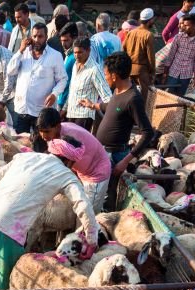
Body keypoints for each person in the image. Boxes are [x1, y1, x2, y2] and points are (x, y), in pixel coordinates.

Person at [0, 149, 98, 289]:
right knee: (11, 281)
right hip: (6, 229)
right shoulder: (65, 174)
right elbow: (83, 204)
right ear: (71, 161)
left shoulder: (27, 157)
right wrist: (92, 240)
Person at [93, 51, 153, 190]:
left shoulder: (133, 98)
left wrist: (126, 161)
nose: (105, 77)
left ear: (114, 76)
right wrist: (94, 105)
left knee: (110, 193)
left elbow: (147, 132)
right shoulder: (118, 91)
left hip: (116, 156)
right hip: (103, 151)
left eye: (106, 74)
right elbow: (112, 107)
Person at [35, 106, 111, 213]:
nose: (43, 136)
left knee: (88, 213)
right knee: (79, 209)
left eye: (46, 131)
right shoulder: (55, 136)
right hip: (82, 173)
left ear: (57, 126)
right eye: (41, 131)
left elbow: (67, 165)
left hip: (96, 174)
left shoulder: (70, 136)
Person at [6, 23, 63, 133]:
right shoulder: (24, 53)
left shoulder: (55, 56)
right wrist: (20, 51)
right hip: (22, 109)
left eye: (40, 36)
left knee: (40, 145)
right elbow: (10, 70)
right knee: (21, 143)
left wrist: (54, 94)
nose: (37, 39)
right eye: (34, 36)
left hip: (41, 111)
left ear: (46, 37)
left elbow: (62, 80)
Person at [64, 38, 112, 130]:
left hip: (84, 116)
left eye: (80, 52)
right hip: (71, 113)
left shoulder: (95, 69)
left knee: (80, 144)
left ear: (88, 51)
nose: (77, 56)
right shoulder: (75, 65)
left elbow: (107, 96)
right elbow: (72, 89)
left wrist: (95, 106)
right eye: (75, 53)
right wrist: (65, 108)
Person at [158, 13, 195, 95]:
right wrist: (165, 74)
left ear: (194, 25)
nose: (183, 27)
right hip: (173, 72)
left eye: (186, 25)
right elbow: (170, 56)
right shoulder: (178, 37)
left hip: (186, 75)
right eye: (183, 24)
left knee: (180, 98)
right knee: (168, 95)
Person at [122, 8, 155, 100]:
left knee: (128, 97)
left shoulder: (131, 33)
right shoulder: (148, 35)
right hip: (142, 71)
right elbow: (151, 57)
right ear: (150, 21)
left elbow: (123, 49)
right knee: (145, 98)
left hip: (129, 70)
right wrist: (152, 72)